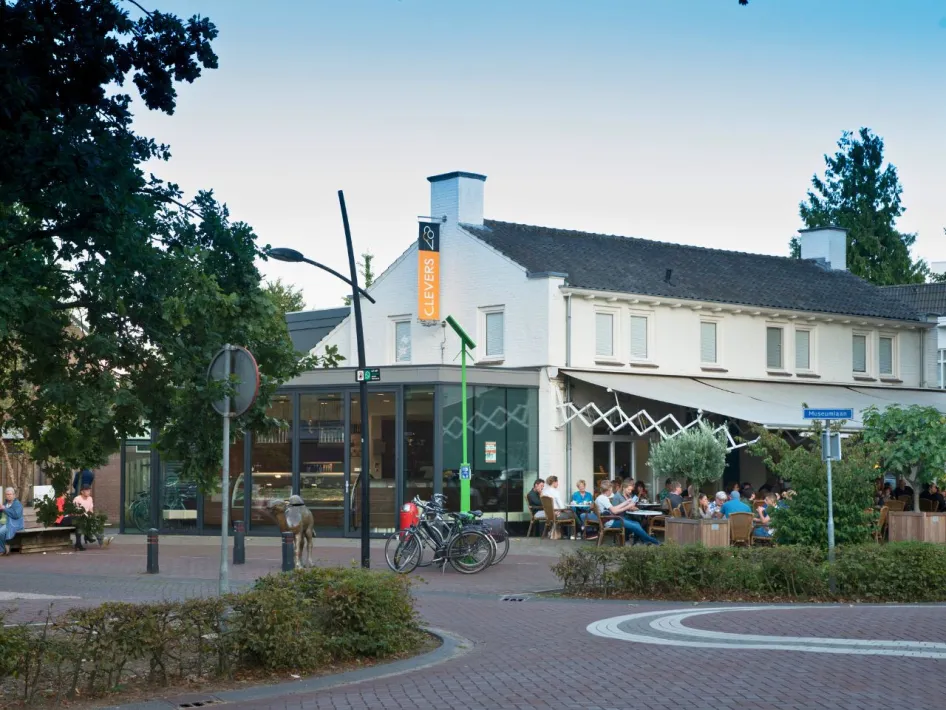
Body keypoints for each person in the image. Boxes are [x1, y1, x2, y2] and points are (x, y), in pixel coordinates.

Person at [593, 480, 660, 546]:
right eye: (611, 489)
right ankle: (654, 541)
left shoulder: (600, 498)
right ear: (608, 490)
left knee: (636, 523)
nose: (612, 491)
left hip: (611, 520)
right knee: (635, 525)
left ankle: (647, 541)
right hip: (611, 522)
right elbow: (615, 511)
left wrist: (626, 502)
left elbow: (614, 508)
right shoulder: (603, 499)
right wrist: (628, 506)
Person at [0, 487, 25, 556]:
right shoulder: (5, 503)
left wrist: (5, 509)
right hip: (3, 523)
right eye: (7, 494)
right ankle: (5, 545)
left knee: (1, 532)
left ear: (14, 495)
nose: (9, 496)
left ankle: (2, 550)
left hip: (13, 524)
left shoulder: (17, 504)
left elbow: (16, 515)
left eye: (10, 494)